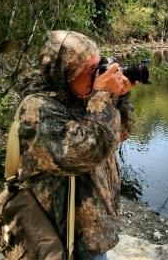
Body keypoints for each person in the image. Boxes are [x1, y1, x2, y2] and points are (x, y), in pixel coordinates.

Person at [16, 30, 134, 259]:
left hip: (90, 230)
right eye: (90, 70)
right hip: (62, 237)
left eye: (98, 65)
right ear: (64, 74)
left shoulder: (81, 98)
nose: (98, 75)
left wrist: (119, 97)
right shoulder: (38, 109)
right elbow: (85, 154)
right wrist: (103, 96)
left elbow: (118, 136)